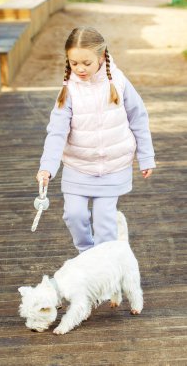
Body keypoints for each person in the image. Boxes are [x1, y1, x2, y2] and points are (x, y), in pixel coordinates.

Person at [36, 26, 156, 253]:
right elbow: (57, 132)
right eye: (74, 63)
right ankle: (87, 254)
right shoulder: (68, 90)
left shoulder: (118, 81)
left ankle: (106, 264)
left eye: (86, 63)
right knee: (74, 215)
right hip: (78, 166)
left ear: (101, 57)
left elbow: (138, 116)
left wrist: (146, 156)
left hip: (113, 167)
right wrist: (47, 168)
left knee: (104, 222)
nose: (80, 69)